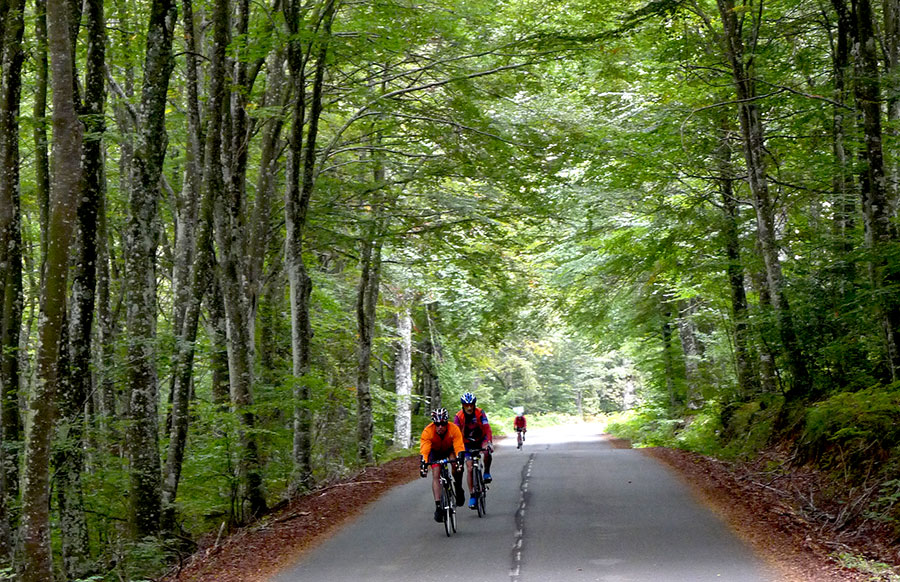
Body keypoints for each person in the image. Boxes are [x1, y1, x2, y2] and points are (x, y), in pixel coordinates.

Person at [419, 408, 466, 522]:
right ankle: (438, 507)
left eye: (443, 424)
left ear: (447, 422)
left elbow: (459, 447)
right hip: (435, 452)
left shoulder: (453, 429)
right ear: (434, 423)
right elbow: (424, 451)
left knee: (456, 465)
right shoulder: (428, 431)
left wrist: (459, 461)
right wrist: (423, 465)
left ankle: (458, 488)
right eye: (437, 424)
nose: (440, 426)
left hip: (449, 449)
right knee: (436, 474)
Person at [454, 391, 493, 509]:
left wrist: (488, 442)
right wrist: (457, 450)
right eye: (467, 405)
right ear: (463, 406)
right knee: (470, 468)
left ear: (474, 404)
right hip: (466, 443)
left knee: (487, 452)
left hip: (480, 439)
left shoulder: (480, 413)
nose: (469, 407)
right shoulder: (458, 416)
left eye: (471, 405)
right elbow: (456, 434)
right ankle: (472, 495)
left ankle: (486, 472)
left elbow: (487, 428)